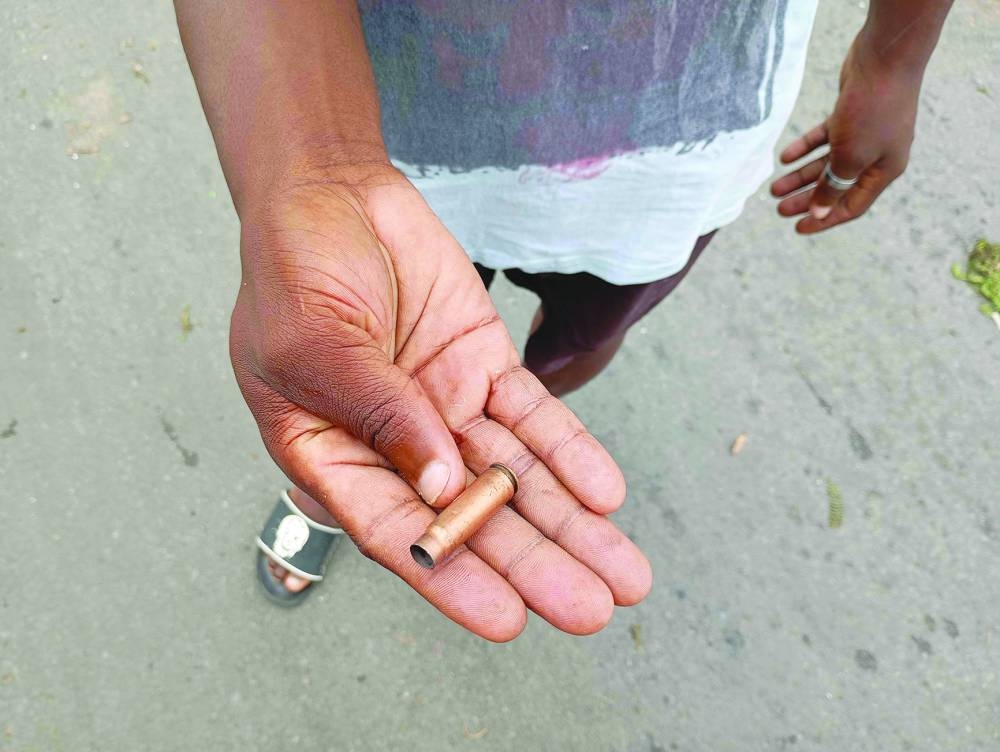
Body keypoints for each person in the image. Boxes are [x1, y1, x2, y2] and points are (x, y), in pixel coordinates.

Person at [175, 0, 954, 640]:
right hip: (389, 127)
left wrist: (895, 54)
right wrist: (312, 170)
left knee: (579, 340)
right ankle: (345, 483)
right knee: (380, 345)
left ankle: (518, 418)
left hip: (677, 142)